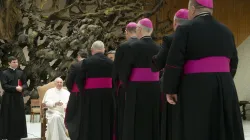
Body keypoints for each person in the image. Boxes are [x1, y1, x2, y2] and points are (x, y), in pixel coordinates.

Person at [162, 0, 244, 140]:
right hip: (224, 86)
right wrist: (224, 80)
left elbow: (174, 62)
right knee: (221, 128)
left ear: (193, 9)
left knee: (196, 127)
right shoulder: (226, 31)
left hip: (194, 86)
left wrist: (170, 89)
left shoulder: (184, 29)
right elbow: (234, 61)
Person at [150, 9, 189, 140]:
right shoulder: (199, 37)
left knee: (172, 123)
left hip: (172, 87)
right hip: (194, 85)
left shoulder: (170, 38)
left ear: (174, 24)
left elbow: (157, 64)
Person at [120, 18, 161, 140]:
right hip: (154, 87)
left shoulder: (132, 46)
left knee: (135, 119)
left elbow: (124, 71)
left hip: (135, 88)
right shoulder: (158, 47)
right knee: (152, 117)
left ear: (139, 29)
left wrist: (127, 86)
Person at [76, 41, 114, 140]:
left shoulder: (86, 62)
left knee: (91, 120)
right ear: (104, 50)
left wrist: (84, 92)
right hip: (108, 95)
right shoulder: (111, 62)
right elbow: (115, 79)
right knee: (106, 119)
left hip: (90, 96)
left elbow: (79, 79)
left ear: (92, 50)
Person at [112, 22, 138, 140]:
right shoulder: (144, 44)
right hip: (145, 87)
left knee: (124, 115)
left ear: (127, 32)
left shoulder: (123, 47)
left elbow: (116, 69)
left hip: (125, 88)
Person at [0, 56, 28, 140]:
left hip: (18, 98)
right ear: (9, 63)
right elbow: (4, 86)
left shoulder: (20, 73)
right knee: (8, 116)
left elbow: (25, 84)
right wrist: (15, 88)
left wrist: (22, 88)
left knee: (18, 116)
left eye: (16, 62)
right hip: (8, 98)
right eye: (13, 62)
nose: (16, 64)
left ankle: (18, 134)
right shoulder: (4, 73)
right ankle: (7, 134)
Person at [65, 50, 88, 140]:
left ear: (78, 56)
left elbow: (69, 81)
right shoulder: (91, 65)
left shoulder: (75, 65)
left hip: (76, 95)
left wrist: (72, 90)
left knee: (74, 116)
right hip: (89, 95)